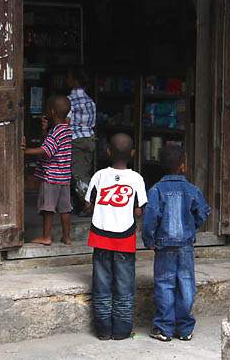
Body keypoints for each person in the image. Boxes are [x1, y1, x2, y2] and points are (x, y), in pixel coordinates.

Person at [142, 145, 211, 342]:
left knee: (164, 284)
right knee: (186, 283)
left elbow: (149, 219)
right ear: (183, 165)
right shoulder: (192, 190)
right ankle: (185, 328)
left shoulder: (156, 190)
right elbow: (203, 212)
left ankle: (164, 328)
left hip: (164, 246)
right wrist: (191, 228)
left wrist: (150, 240)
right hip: (186, 245)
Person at [85, 133, 147, 340]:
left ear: (108, 152)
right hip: (125, 239)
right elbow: (139, 211)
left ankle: (103, 330)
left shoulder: (99, 176)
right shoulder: (137, 178)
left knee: (102, 284)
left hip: (100, 237)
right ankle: (121, 331)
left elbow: (88, 205)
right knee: (124, 285)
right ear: (133, 153)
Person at [22, 95, 73, 246]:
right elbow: (52, 145)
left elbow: (46, 150)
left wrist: (25, 151)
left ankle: (46, 237)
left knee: (48, 209)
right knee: (65, 209)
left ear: (51, 112)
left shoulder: (56, 131)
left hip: (51, 177)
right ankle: (67, 237)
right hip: (64, 177)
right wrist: (45, 131)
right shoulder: (66, 130)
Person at [66, 68, 96, 216]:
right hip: (89, 139)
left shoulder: (70, 101)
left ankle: (90, 204)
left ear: (74, 81)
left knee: (78, 175)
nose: (67, 80)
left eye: (69, 77)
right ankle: (85, 203)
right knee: (84, 171)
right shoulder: (90, 101)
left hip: (75, 140)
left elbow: (66, 121)